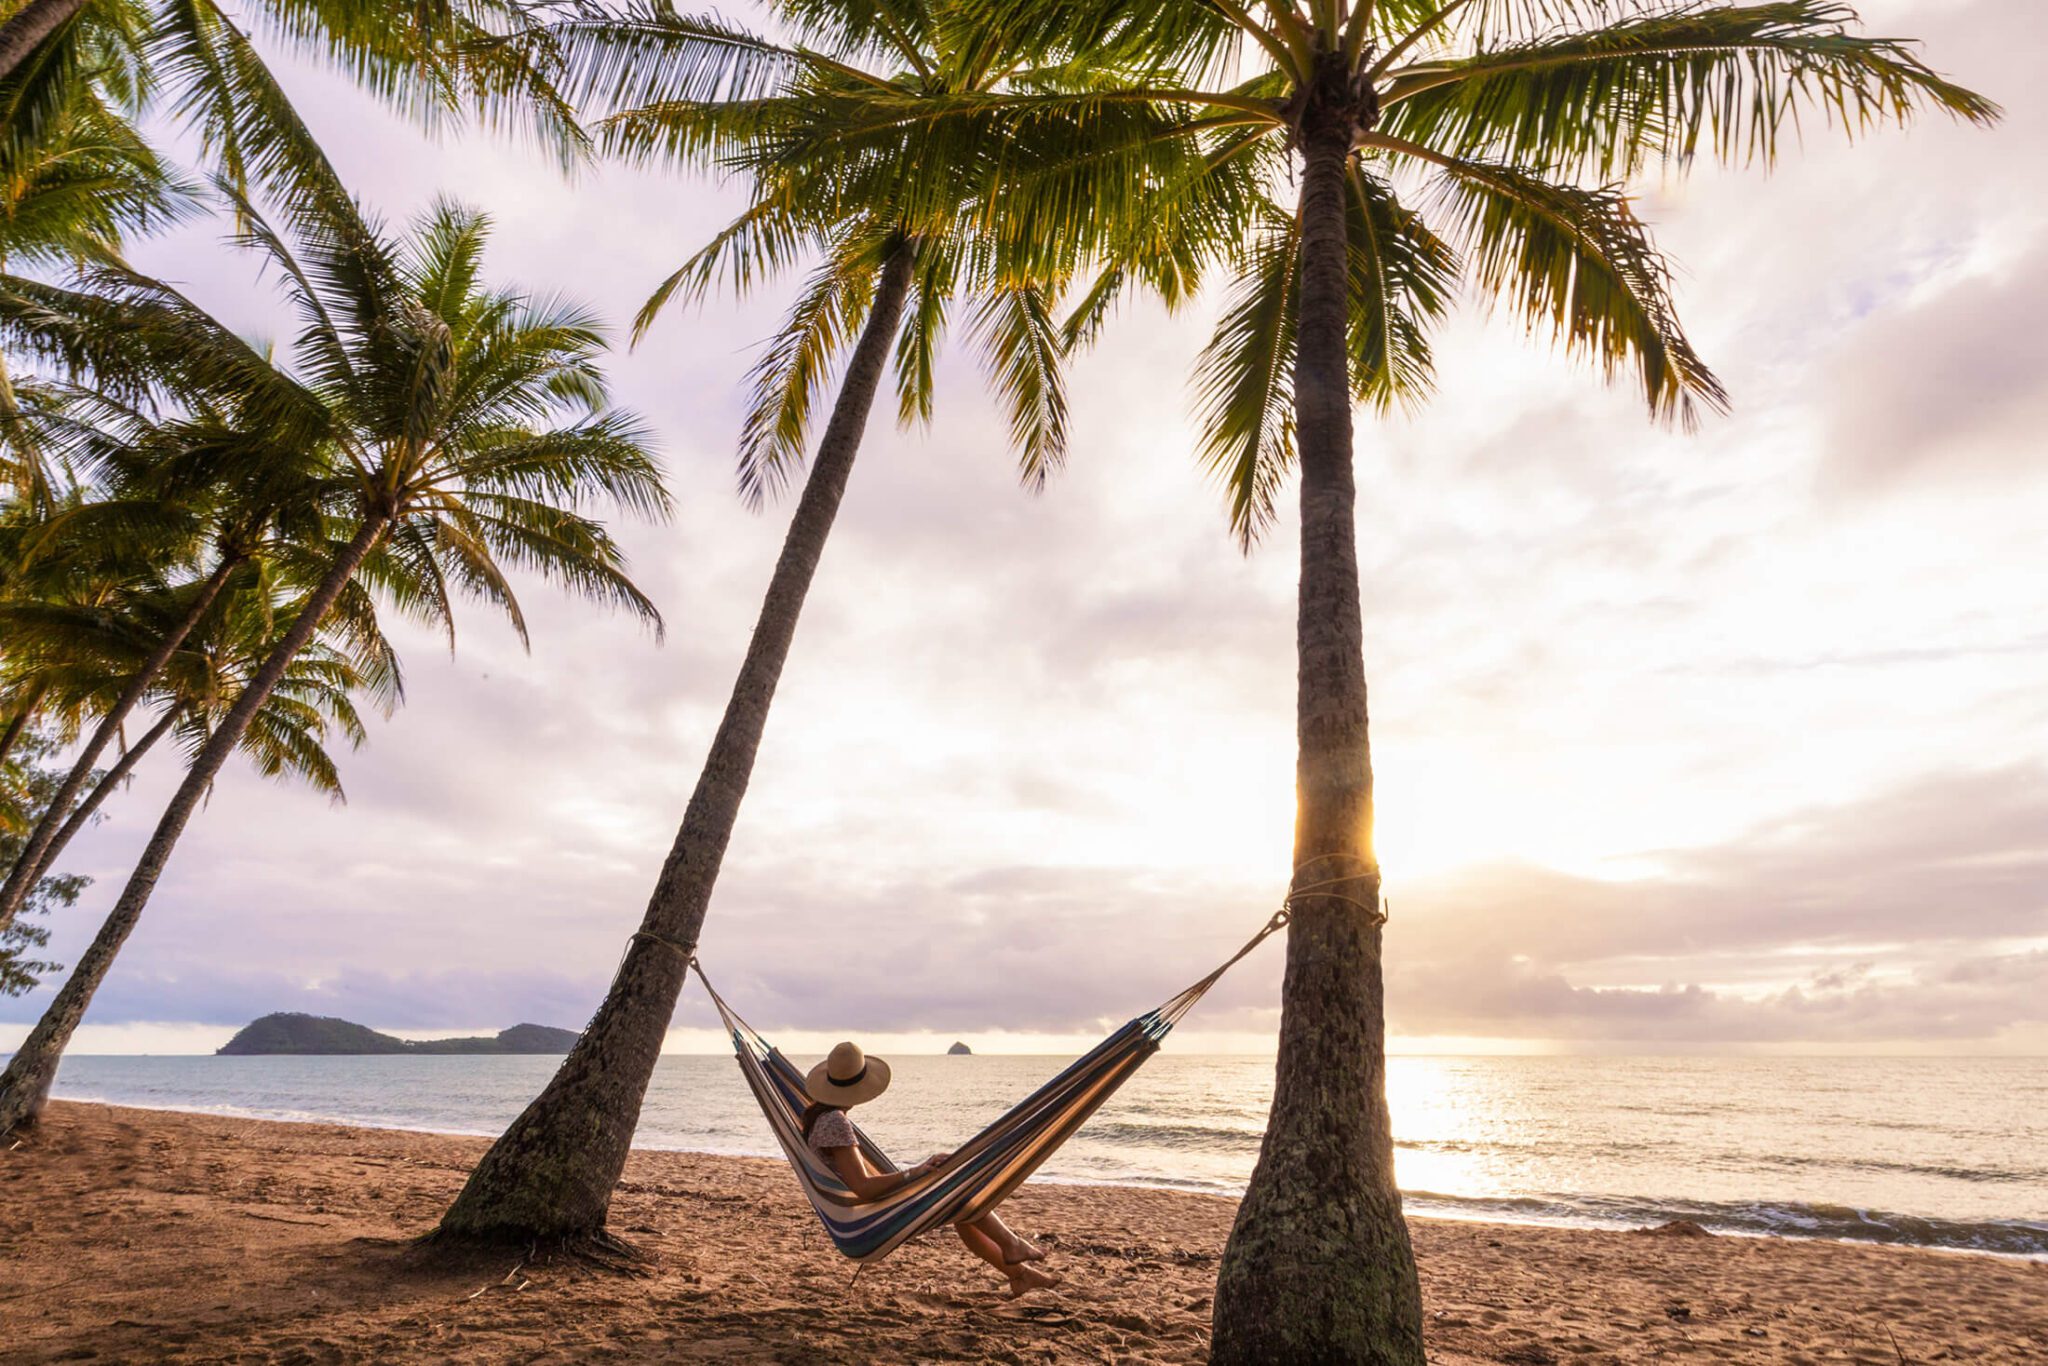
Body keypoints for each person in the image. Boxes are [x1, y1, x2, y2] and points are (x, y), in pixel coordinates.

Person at [801, 1040, 1062, 1297]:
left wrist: (921, 1171)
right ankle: (1012, 1245)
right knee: (959, 1191)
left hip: (850, 1215)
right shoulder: (835, 1121)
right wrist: (915, 1172)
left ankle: (1021, 1275)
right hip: (863, 1220)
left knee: (960, 1206)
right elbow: (863, 1188)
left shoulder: (817, 1117)